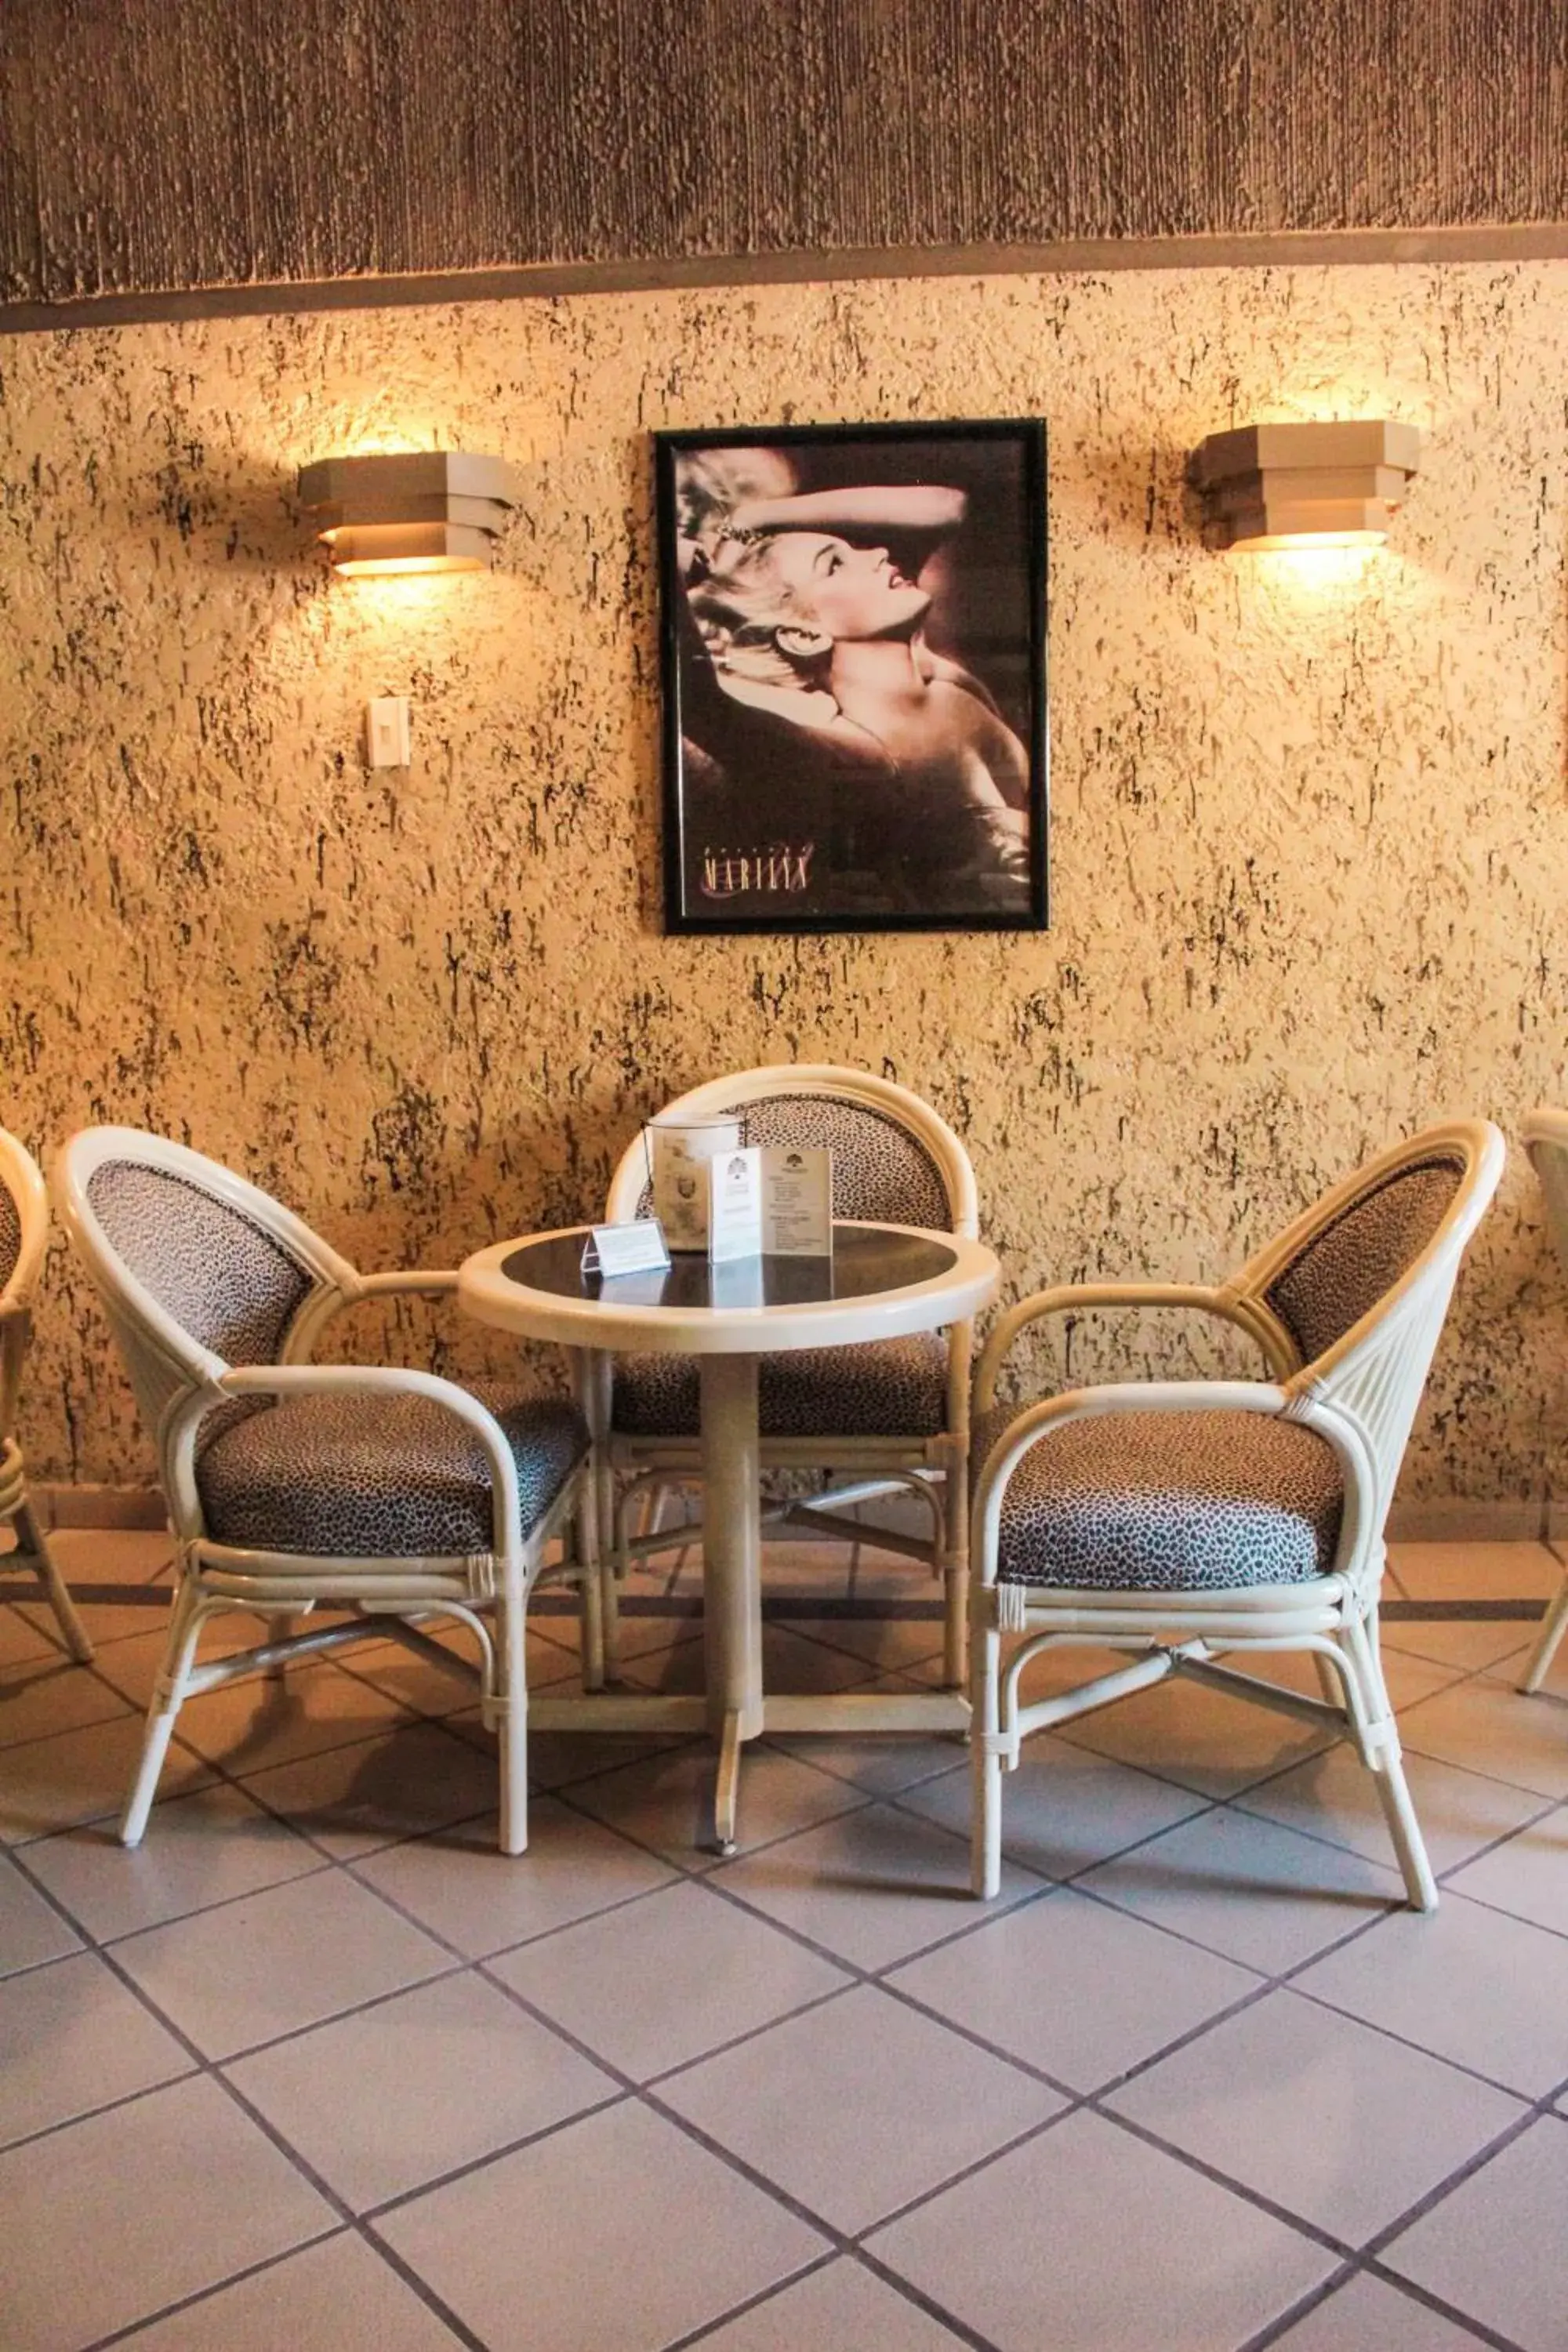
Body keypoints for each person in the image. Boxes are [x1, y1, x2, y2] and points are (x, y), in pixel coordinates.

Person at [678, 467, 1032, 915]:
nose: (880, 551)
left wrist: (757, 515)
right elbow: (701, 703)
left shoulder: (944, 682)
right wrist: (662, 565)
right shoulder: (865, 756)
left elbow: (945, 506)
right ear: (803, 636)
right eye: (835, 564)